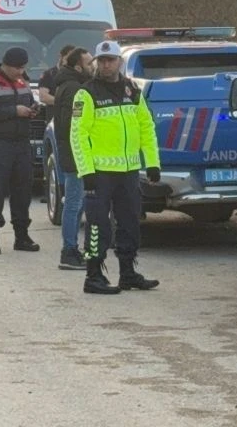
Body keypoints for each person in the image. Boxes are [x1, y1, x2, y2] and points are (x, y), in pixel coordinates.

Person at [71, 40, 162, 295]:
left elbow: (146, 126)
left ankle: (128, 273)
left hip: (129, 171)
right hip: (99, 173)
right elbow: (77, 135)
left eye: (111, 59)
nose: (106, 64)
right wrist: (86, 171)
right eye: (102, 60)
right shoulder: (86, 93)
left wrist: (152, 162)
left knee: (130, 222)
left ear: (119, 62)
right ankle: (93, 276)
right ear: (96, 63)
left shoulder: (132, 90)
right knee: (98, 224)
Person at [0, 46, 40, 255]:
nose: (20, 72)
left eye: (23, 67)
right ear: (5, 64)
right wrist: (14, 111)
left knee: (22, 191)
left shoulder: (23, 82)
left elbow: (28, 101)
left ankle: (22, 236)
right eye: (17, 68)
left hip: (21, 143)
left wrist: (33, 108)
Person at [52, 47, 93, 270]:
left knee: (76, 203)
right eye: (89, 64)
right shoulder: (74, 89)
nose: (92, 67)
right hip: (75, 152)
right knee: (74, 202)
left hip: (72, 151)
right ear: (78, 66)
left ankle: (72, 249)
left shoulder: (69, 85)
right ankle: (69, 251)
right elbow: (72, 126)